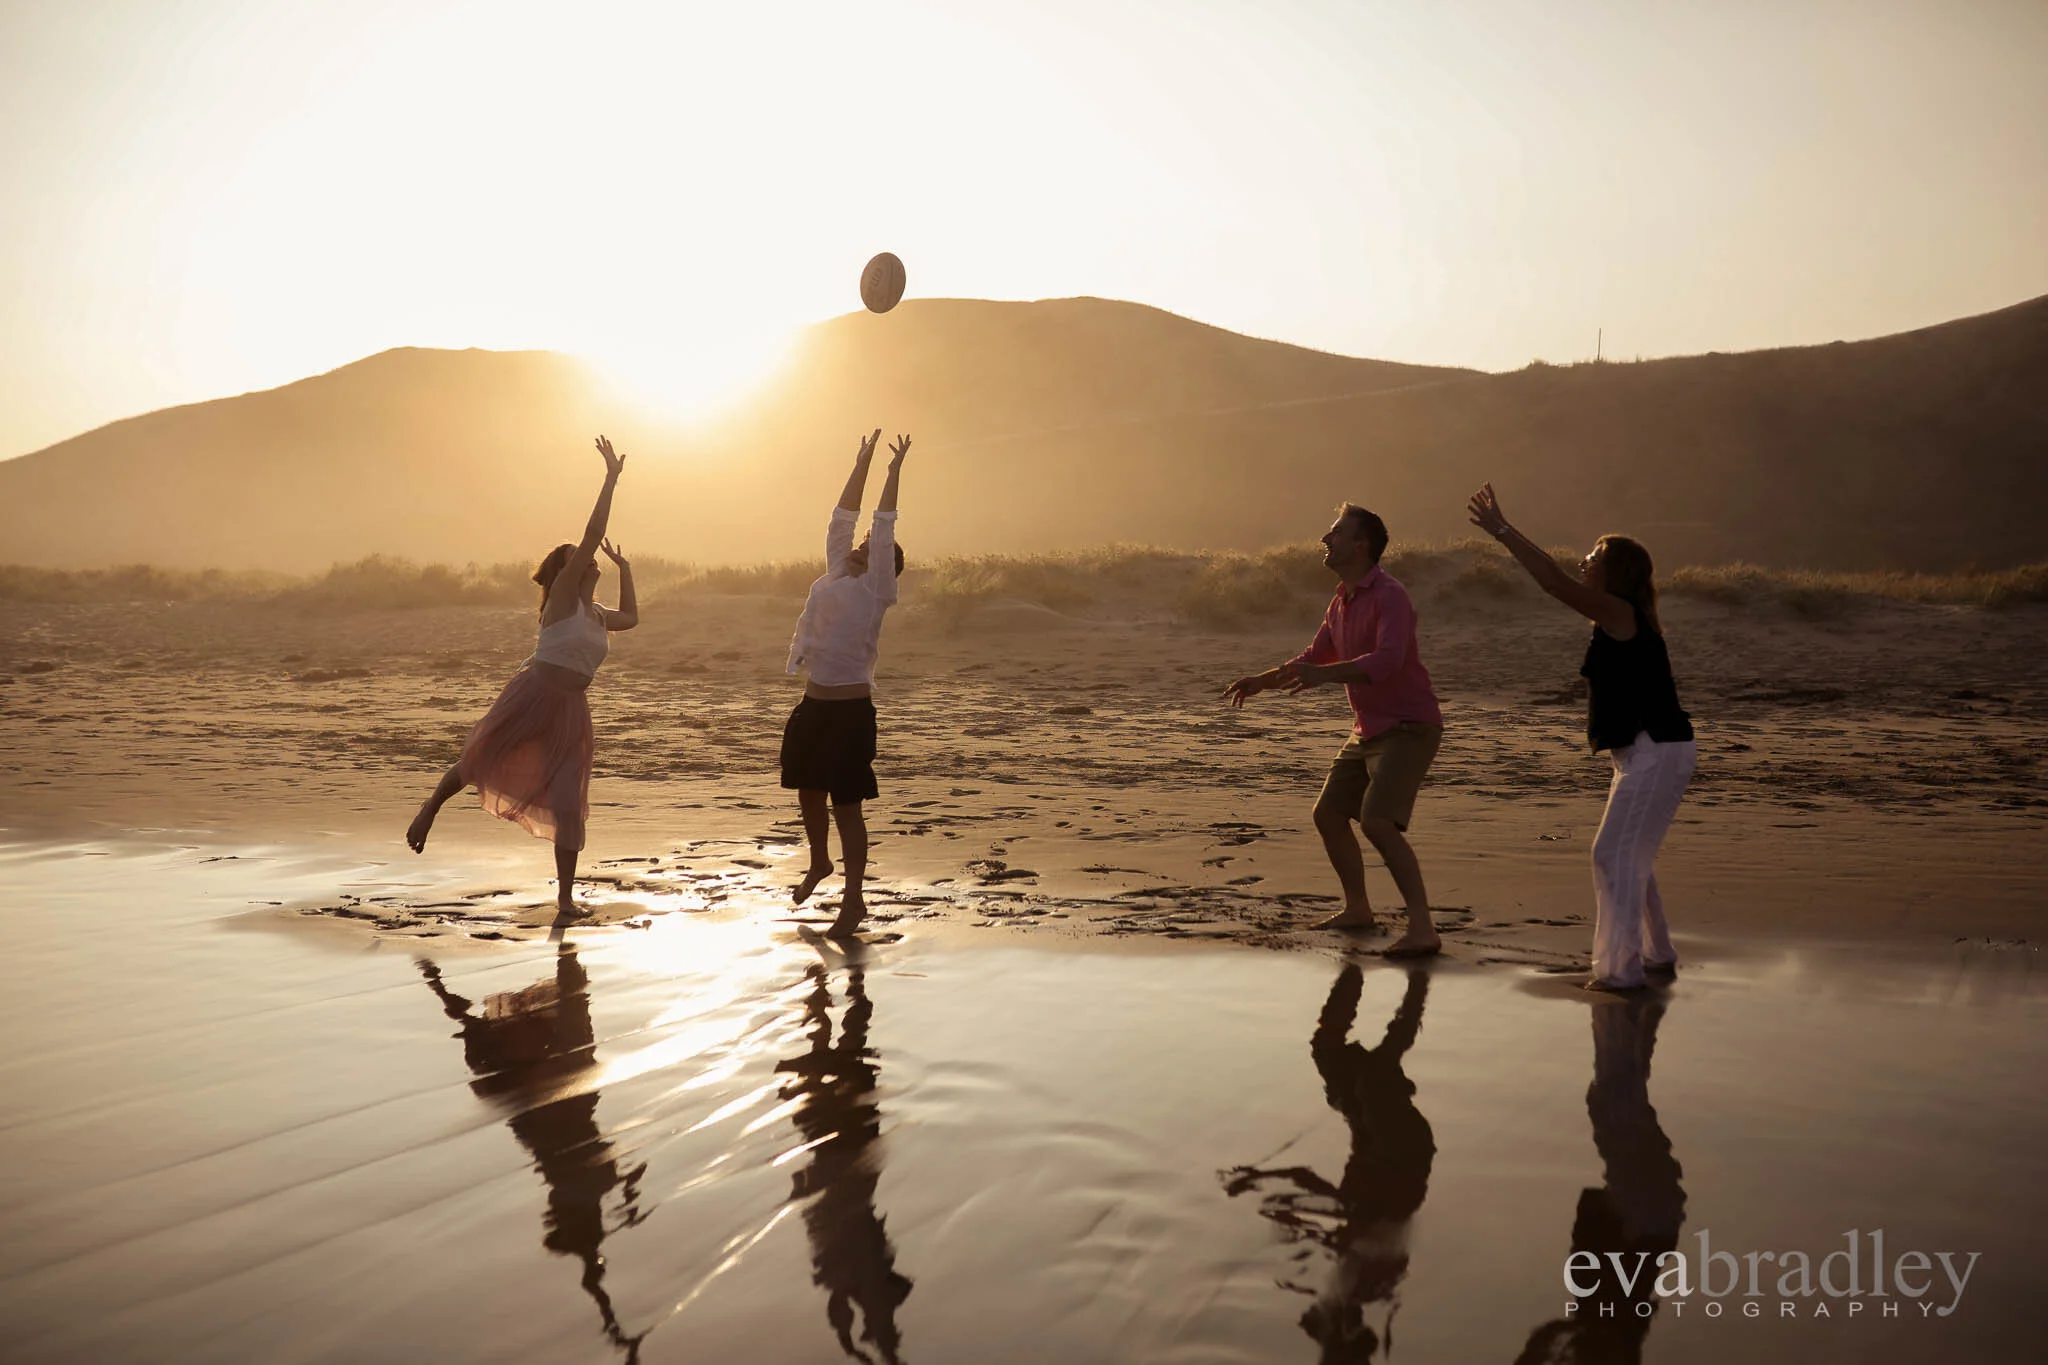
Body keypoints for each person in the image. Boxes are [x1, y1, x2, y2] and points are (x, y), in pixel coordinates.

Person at [1465, 484, 1696, 992]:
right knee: (1630, 855)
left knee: (1609, 854)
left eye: (1593, 557)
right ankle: (1656, 954)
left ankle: (1620, 971)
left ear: (1615, 574)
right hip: (1649, 752)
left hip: (1656, 748)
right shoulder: (1617, 617)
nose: (1584, 561)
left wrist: (1504, 531)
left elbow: (1552, 582)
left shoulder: (1620, 613)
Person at [406, 437, 638, 920]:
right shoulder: (562, 602)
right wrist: (611, 478)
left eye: (592, 559)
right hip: (535, 692)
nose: (592, 559)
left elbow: (633, 618)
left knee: (569, 803)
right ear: (566, 571)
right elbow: (593, 531)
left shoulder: (596, 613)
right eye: (581, 558)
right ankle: (430, 807)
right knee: (479, 760)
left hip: (572, 709)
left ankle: (566, 899)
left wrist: (627, 569)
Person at [1224, 504, 1446, 955]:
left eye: (1337, 532)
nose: (1326, 539)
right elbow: (1312, 658)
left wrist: (1323, 676)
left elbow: (1387, 661)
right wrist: (1261, 682)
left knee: (1378, 823)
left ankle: (1423, 929)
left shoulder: (1390, 595)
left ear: (1361, 545)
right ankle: (1358, 909)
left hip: (1409, 726)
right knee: (1327, 814)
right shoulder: (1341, 600)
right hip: (1368, 729)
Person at [782, 429, 911, 938]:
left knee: (847, 808)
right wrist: (860, 460)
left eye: (867, 551)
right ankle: (820, 863)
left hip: (851, 713)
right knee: (806, 791)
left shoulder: (878, 590)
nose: (858, 549)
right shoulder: (835, 574)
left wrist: (892, 472)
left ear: (885, 567)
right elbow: (842, 520)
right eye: (857, 549)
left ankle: (853, 902)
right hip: (813, 705)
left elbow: (881, 528)